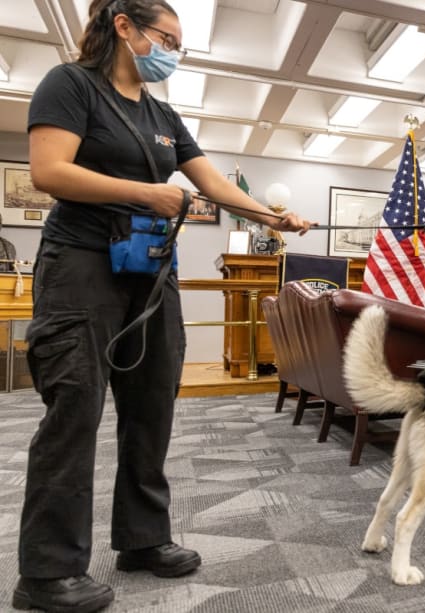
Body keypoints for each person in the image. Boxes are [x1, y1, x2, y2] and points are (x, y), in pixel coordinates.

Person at [15, 1, 312, 611]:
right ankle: (46, 573)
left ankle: (143, 539)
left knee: (152, 407)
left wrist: (272, 216)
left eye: (180, 44)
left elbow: (211, 182)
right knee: (74, 413)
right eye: (166, 38)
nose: (172, 52)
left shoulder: (162, 115)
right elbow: (49, 171)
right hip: (80, 268)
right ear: (123, 27)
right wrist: (147, 193)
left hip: (148, 276)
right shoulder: (71, 86)